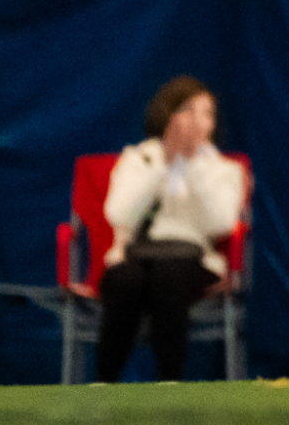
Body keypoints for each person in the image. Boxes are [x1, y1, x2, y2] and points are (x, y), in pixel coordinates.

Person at [97, 76, 246, 382]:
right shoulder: (138, 158)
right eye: (188, 111)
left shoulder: (224, 170)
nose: (197, 121)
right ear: (168, 114)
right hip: (135, 255)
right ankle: (104, 385)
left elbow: (220, 222)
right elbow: (118, 213)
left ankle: (169, 383)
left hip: (191, 261)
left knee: (170, 274)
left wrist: (194, 167)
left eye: (206, 114)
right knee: (126, 280)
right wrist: (162, 165)